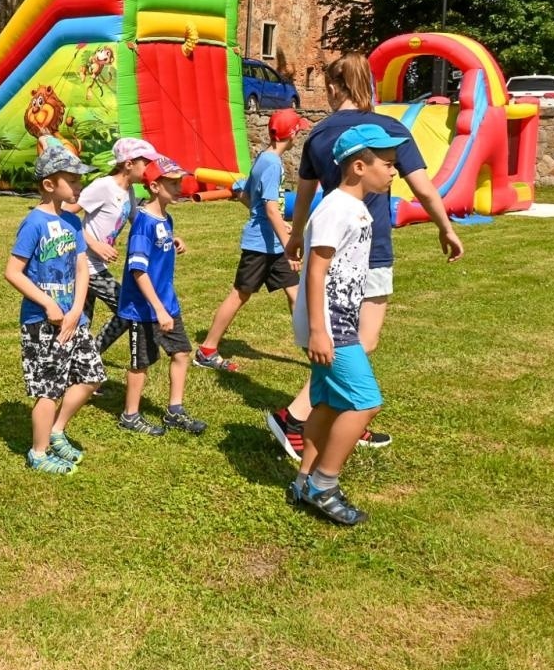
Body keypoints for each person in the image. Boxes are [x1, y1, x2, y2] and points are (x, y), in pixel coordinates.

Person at [265, 53, 465, 459]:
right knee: (361, 340)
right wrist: (445, 227)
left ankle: (330, 416)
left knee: (344, 338)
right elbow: (424, 188)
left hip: (331, 243)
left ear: (334, 88)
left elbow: (304, 196)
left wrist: (296, 237)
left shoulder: (320, 134)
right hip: (370, 250)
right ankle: (301, 415)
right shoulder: (388, 129)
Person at [288, 124, 406, 526]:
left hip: (337, 320)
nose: (394, 172)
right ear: (359, 166)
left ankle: (303, 480)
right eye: (387, 165)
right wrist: (320, 331)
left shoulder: (355, 208)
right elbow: (315, 271)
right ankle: (325, 483)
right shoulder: (336, 208)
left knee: (328, 402)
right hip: (331, 325)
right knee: (364, 401)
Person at [3, 144, 106, 475]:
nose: (79, 187)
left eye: (79, 181)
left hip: (74, 318)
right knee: (49, 389)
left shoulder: (73, 223)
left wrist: (76, 308)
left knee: (92, 376)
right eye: (72, 181)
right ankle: (39, 452)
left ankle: (57, 431)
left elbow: (81, 269)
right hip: (41, 322)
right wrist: (48, 304)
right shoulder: (34, 223)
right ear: (49, 184)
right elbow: (13, 271)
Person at [194, 109, 311, 372]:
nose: (299, 134)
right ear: (291, 134)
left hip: (273, 242)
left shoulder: (263, 159)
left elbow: (246, 197)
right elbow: (269, 208)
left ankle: (313, 351)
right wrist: (290, 244)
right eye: (298, 130)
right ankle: (206, 350)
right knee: (240, 294)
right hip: (262, 244)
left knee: (295, 293)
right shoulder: (271, 164)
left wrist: (281, 227)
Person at [115, 156, 208, 436]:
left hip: (167, 303)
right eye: (173, 183)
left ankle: (174, 411)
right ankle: (130, 415)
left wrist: (173, 240)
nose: (180, 188)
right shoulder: (142, 223)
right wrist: (159, 310)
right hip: (144, 309)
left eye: (180, 182)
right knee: (140, 363)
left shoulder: (165, 218)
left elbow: (159, 243)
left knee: (181, 353)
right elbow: (138, 271)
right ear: (154, 187)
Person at [76, 137, 157, 354]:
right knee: (127, 309)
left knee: (81, 323)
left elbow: (138, 221)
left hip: (94, 265)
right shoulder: (103, 186)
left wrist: (166, 235)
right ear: (129, 164)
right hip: (85, 263)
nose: (151, 168)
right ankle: (91, 357)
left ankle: (79, 369)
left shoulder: (128, 190)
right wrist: (94, 244)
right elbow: (65, 215)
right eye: (147, 163)